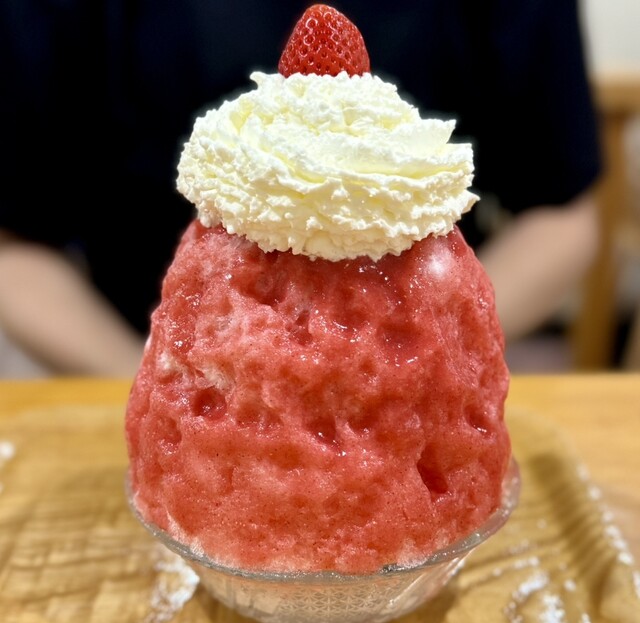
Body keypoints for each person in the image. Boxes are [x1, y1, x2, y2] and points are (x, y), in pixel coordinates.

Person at [0, 0, 601, 376]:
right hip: (143, 354)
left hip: (424, 358)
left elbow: (563, 213)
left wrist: (432, 352)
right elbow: (15, 249)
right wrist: (155, 386)